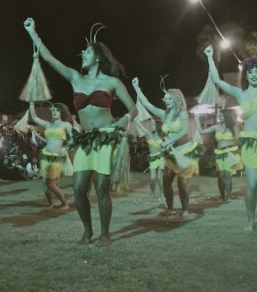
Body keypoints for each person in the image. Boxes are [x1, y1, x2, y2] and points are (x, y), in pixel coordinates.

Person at [24, 17, 137, 245]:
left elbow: (133, 109)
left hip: (106, 138)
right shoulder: (76, 78)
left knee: (102, 188)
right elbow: (49, 58)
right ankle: (87, 230)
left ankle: (105, 233)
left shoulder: (113, 82)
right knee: (78, 189)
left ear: (97, 56)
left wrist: (124, 118)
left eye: (86, 52)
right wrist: (32, 33)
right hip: (85, 141)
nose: (82, 55)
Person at [204, 45, 257, 232]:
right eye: (251, 72)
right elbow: (216, 79)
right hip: (249, 144)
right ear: (246, 75)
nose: (255, 74)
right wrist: (210, 57)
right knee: (251, 184)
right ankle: (250, 221)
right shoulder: (240, 94)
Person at [132, 78, 199, 218]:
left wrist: (168, 141)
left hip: (185, 151)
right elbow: (147, 104)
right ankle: (170, 209)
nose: (165, 100)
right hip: (171, 153)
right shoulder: (164, 114)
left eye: (168, 98)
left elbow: (185, 131)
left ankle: (185, 210)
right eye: (165, 99)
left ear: (176, 99)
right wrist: (136, 88)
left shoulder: (182, 113)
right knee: (166, 181)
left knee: (182, 184)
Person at [29, 102, 73, 210]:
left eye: (57, 110)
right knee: (45, 183)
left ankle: (65, 204)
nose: (54, 112)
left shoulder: (66, 125)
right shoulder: (48, 124)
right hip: (45, 155)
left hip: (57, 156)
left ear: (62, 112)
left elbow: (73, 139)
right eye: (53, 110)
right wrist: (31, 105)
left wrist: (66, 148)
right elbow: (34, 117)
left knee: (51, 183)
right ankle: (50, 203)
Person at [197, 110, 242, 202]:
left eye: (221, 115)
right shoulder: (216, 127)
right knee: (221, 176)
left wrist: (230, 143)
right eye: (219, 116)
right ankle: (222, 196)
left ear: (226, 116)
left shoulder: (233, 127)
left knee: (227, 175)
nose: (219, 117)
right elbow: (202, 131)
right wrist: (197, 120)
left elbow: (238, 140)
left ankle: (228, 196)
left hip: (230, 152)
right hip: (219, 153)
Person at [134, 119, 164, 198]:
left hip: (161, 158)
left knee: (159, 178)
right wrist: (136, 121)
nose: (152, 126)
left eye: (154, 125)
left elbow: (168, 144)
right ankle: (152, 193)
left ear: (158, 127)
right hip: (152, 158)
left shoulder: (162, 136)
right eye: (152, 125)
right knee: (152, 178)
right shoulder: (149, 134)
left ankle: (162, 193)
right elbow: (141, 127)